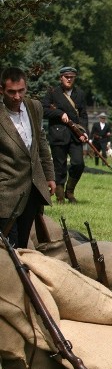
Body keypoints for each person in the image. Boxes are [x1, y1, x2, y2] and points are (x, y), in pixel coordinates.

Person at [0, 67, 56, 248]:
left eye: (21, 91)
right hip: (6, 193)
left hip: (32, 189)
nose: (17, 97)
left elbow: (41, 143)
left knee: (23, 246)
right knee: (9, 247)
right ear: (1, 90)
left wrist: (49, 176)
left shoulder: (34, 107)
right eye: (11, 92)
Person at [42, 66, 88, 204]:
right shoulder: (53, 93)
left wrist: (83, 132)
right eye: (66, 77)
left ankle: (70, 191)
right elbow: (43, 110)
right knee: (59, 167)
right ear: (60, 77)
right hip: (58, 134)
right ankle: (60, 196)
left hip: (75, 135)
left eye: (71, 77)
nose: (69, 79)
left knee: (78, 163)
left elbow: (84, 115)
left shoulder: (79, 94)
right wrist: (60, 113)